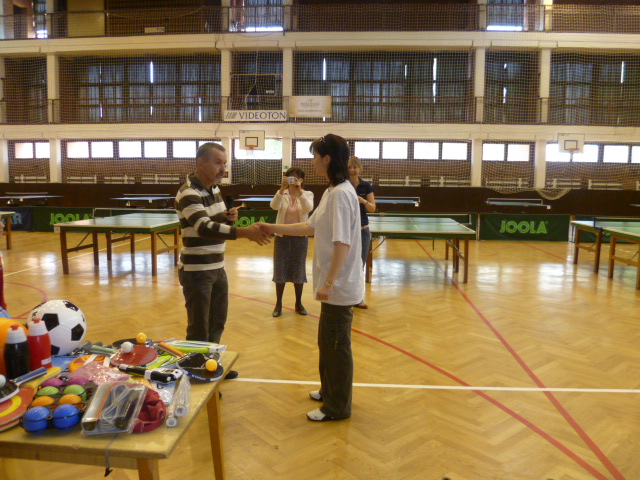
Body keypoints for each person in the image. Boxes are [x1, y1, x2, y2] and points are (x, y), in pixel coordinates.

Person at [258, 134, 364, 422]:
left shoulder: (341, 194)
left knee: (336, 347)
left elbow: (343, 242)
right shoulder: (332, 191)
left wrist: (329, 283)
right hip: (333, 285)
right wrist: (272, 227)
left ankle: (337, 407)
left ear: (327, 159)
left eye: (315, 156)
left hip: (339, 287)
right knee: (327, 343)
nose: (313, 161)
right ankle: (328, 391)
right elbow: (308, 227)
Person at [176, 142, 271, 379]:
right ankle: (196, 376)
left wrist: (227, 218)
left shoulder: (215, 189)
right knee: (199, 329)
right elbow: (204, 228)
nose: (223, 169)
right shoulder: (188, 192)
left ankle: (210, 365)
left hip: (217, 267)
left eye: (224, 164)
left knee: (217, 321)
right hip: (197, 270)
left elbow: (214, 222)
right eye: (218, 163)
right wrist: (244, 232)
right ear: (201, 163)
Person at [270, 167, 314, 317]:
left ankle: (298, 303)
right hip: (281, 238)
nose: (294, 180)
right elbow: (274, 206)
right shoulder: (282, 193)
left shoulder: (307, 194)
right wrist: (281, 189)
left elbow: (308, 208)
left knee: (298, 271)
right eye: (291, 177)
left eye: (297, 178)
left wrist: (299, 191)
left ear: (302, 180)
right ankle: (278, 304)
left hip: (300, 238)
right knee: (280, 271)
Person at [348, 156, 376, 309]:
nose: (352, 170)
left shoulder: (366, 186)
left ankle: (357, 298)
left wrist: (364, 201)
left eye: (355, 167)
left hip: (363, 231)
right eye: (350, 167)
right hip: (347, 231)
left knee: (360, 266)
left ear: (360, 169)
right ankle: (346, 299)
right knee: (346, 265)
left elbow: (373, 208)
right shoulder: (343, 185)